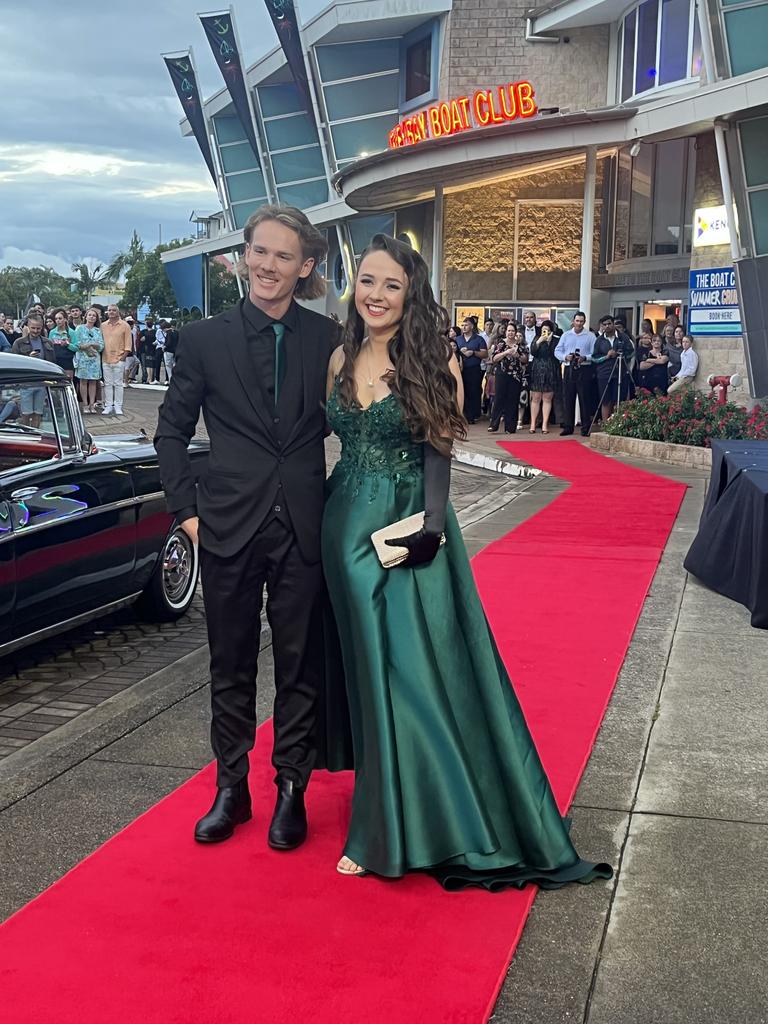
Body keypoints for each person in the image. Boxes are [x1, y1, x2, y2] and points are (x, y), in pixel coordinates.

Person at [322, 234, 611, 890]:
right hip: (342, 528)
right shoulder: (339, 356)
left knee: (416, 671)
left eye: (391, 285)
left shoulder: (436, 361)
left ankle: (400, 826)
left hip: (409, 532)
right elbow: (324, 441)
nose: (376, 294)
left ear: (410, 293)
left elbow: (438, 454)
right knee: (368, 673)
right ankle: (385, 806)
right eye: (367, 281)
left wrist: (430, 526)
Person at [154, 204, 339, 850]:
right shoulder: (203, 341)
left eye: (283, 256)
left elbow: (357, 425)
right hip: (227, 526)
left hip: (304, 528)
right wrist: (187, 513)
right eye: (259, 251)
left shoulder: (328, 341)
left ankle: (292, 788)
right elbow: (171, 432)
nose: (266, 265)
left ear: (305, 266)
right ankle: (231, 788)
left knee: (300, 665)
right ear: (244, 257)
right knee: (229, 663)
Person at [555, 311, 597, 436]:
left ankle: (585, 428)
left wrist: (585, 358)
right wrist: (565, 357)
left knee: (584, 399)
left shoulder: (590, 336)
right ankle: (568, 426)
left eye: (581, 321)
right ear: (573, 321)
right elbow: (557, 351)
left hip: (584, 369)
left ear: (584, 322)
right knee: (568, 398)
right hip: (569, 368)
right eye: (577, 321)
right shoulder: (566, 335)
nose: (578, 323)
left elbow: (594, 353)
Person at [11, 314, 56, 427]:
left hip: (42, 382)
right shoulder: (19, 343)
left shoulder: (48, 342)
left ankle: (36, 434)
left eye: (38, 328)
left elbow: (53, 362)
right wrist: (28, 358)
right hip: (26, 383)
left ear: (42, 327)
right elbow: (14, 363)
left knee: (38, 413)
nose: (35, 331)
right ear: (28, 326)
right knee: (26, 414)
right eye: (33, 328)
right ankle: (27, 435)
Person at [592, 315, 635, 424]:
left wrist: (621, 355)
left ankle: (617, 423)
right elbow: (594, 358)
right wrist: (606, 356)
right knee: (605, 400)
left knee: (619, 400)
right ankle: (606, 425)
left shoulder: (623, 337)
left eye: (609, 324)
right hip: (604, 374)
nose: (607, 326)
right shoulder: (599, 340)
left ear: (613, 324)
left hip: (620, 372)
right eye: (605, 324)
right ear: (602, 326)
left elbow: (632, 352)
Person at [488, 322, 527, 433]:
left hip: (516, 375)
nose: (510, 333)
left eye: (513, 331)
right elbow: (494, 358)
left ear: (516, 332)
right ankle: (493, 424)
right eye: (509, 330)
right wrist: (506, 352)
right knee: (499, 398)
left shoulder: (520, 344)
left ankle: (510, 427)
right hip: (502, 373)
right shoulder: (500, 343)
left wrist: (517, 355)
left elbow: (525, 359)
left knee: (513, 400)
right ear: (506, 332)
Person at [101, 304, 132, 416]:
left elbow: (128, 343)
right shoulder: (103, 326)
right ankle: (108, 405)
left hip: (119, 358)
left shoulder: (125, 326)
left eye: (114, 310)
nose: (111, 312)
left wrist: (123, 357)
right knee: (108, 384)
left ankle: (118, 406)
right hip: (105, 358)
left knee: (118, 384)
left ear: (118, 312)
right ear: (107, 312)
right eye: (109, 310)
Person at [528, 321, 558, 433]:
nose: (545, 332)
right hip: (537, 369)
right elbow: (533, 352)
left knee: (547, 398)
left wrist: (549, 341)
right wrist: (539, 341)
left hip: (550, 370)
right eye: (543, 330)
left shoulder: (555, 340)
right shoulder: (537, 338)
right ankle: (533, 424)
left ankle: (545, 424)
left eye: (548, 330)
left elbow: (555, 354)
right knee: (535, 398)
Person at [73, 308, 104, 413]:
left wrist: (91, 345)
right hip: (83, 358)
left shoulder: (97, 330)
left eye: (94, 316)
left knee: (93, 382)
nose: (91, 317)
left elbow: (101, 345)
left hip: (94, 359)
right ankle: (85, 404)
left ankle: (92, 404)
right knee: (83, 381)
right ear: (85, 316)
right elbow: (78, 343)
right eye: (90, 315)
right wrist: (90, 345)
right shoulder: (79, 328)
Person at [458, 316, 487, 423]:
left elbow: (485, 354)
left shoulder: (479, 339)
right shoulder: (458, 339)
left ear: (472, 326)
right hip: (460, 369)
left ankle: (472, 415)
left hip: (474, 369)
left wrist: (473, 352)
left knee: (473, 392)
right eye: (462, 325)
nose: (464, 327)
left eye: (466, 325)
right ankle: (462, 415)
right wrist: (460, 351)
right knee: (462, 391)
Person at [48, 308, 76, 379]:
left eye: (60, 318)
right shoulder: (52, 332)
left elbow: (76, 347)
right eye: (56, 319)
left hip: (67, 362)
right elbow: (49, 347)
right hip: (55, 361)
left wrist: (68, 344)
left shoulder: (71, 332)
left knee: (68, 382)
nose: (58, 321)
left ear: (65, 319)